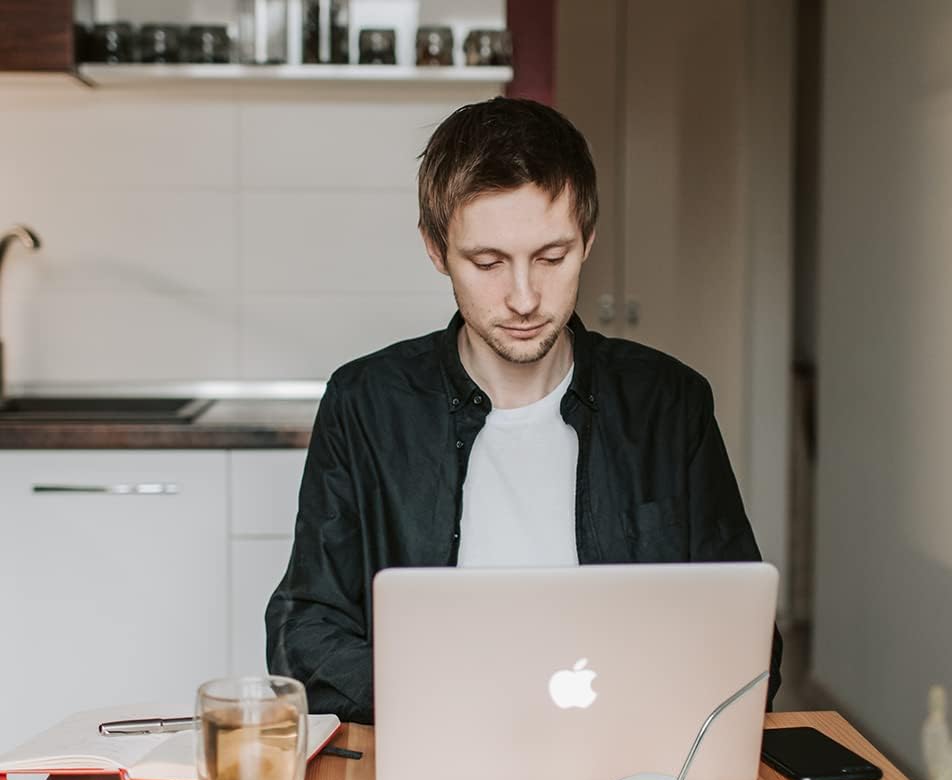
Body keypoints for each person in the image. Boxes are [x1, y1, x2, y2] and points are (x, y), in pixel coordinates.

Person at [266, 97, 782, 722]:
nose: (524, 297)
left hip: (630, 761)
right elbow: (304, 630)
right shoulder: (365, 403)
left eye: (551, 257)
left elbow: (748, 636)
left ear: (588, 239)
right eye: (487, 263)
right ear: (436, 249)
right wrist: (451, 704)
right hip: (438, 752)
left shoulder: (670, 403)